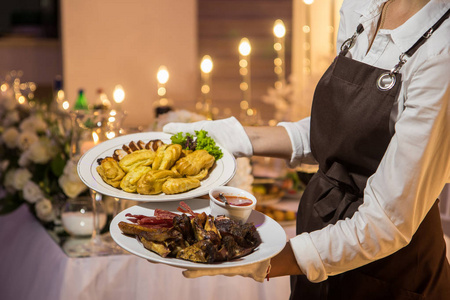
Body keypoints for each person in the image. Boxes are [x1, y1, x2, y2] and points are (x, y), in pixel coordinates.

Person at [163, 0, 450, 298]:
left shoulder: (442, 52)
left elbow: (386, 224)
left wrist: (266, 260)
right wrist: (237, 137)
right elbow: (344, 130)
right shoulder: (361, 6)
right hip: (316, 236)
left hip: (391, 271)